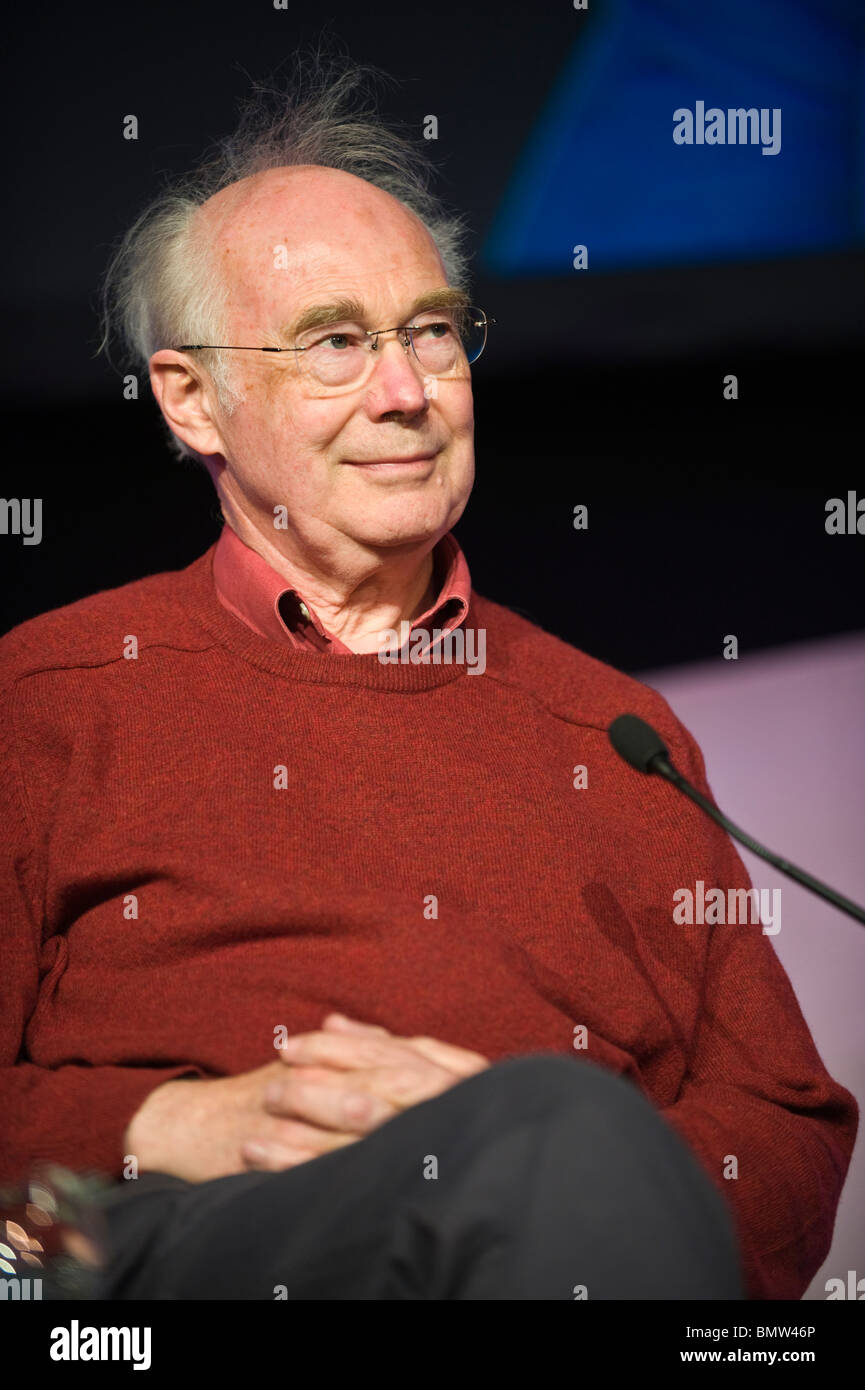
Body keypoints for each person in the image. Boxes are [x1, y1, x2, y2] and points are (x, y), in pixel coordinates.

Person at [0, 55, 856, 1301]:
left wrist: (545, 1151)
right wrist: (162, 1127)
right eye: (335, 343)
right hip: (175, 1258)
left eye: (431, 333)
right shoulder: (51, 693)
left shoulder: (615, 731)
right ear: (193, 399)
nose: (406, 393)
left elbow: (788, 1131)